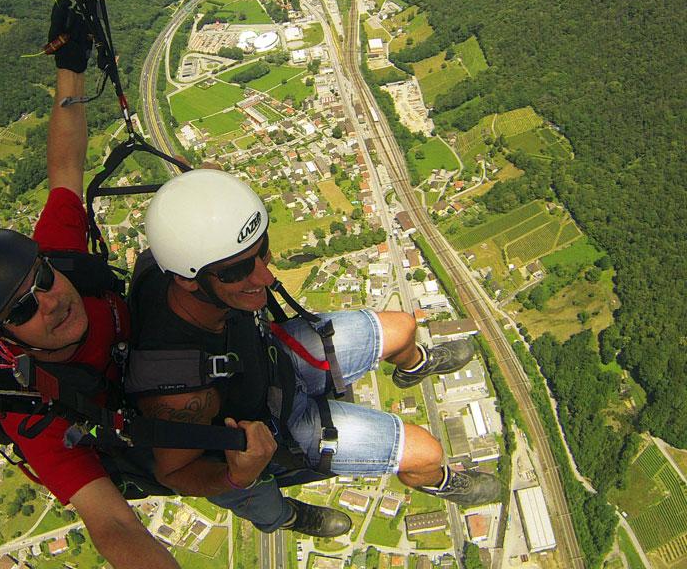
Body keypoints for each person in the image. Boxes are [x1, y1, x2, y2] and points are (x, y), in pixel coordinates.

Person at [125, 168, 503, 537]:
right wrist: (237, 475)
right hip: (279, 427)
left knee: (403, 327)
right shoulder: (177, 388)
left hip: (275, 358)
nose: (266, 277)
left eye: (262, 251)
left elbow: (202, 203)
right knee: (427, 454)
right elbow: (174, 473)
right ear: (186, 280)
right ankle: (290, 516)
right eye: (237, 271)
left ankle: (413, 366)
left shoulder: (178, 254)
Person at [0, 0, 180, 569]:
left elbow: (66, 166)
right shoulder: (32, 413)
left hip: (157, 350)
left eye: (42, 279)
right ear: (4, 338)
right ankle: (273, 509)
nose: (50, 300)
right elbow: (112, 523)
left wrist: (70, 68)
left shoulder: (61, 257)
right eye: (22, 309)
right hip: (140, 424)